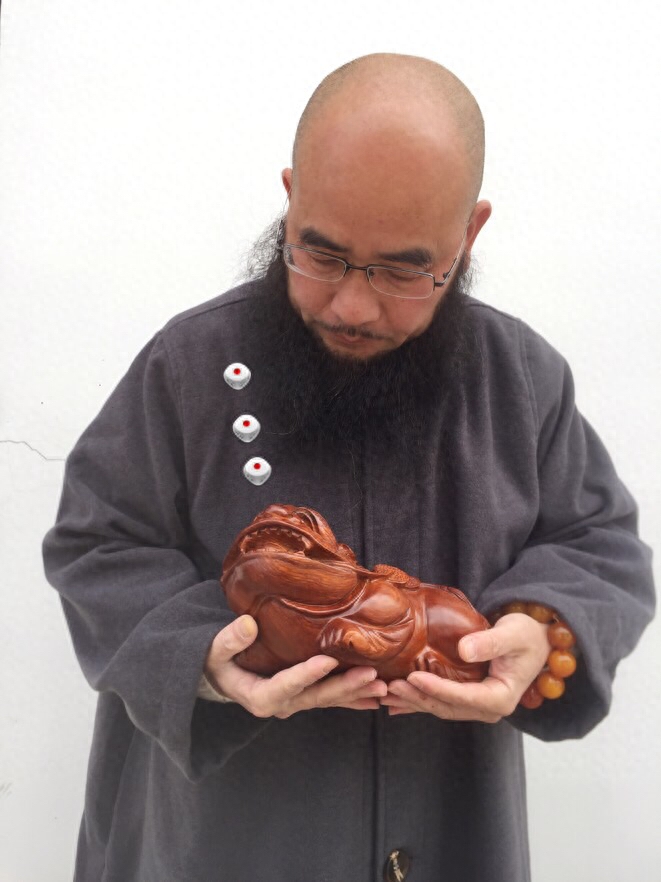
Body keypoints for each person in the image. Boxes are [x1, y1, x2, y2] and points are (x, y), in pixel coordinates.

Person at [43, 53, 654, 882]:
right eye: (320, 254)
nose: (352, 305)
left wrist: (539, 626)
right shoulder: (187, 366)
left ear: (468, 236)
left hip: (450, 831)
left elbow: (599, 545)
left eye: (403, 270)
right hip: (217, 845)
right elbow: (96, 544)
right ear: (290, 199)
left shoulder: (520, 380)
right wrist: (204, 657)